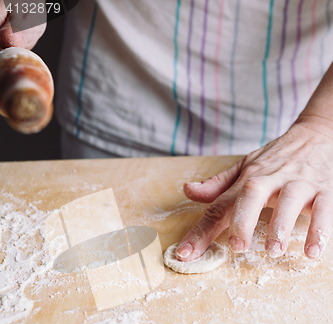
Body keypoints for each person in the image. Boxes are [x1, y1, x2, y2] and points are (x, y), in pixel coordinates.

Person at [1, 0, 333, 262]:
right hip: (114, 106)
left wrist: (322, 125)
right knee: (100, 301)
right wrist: (33, 3)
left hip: (287, 147)